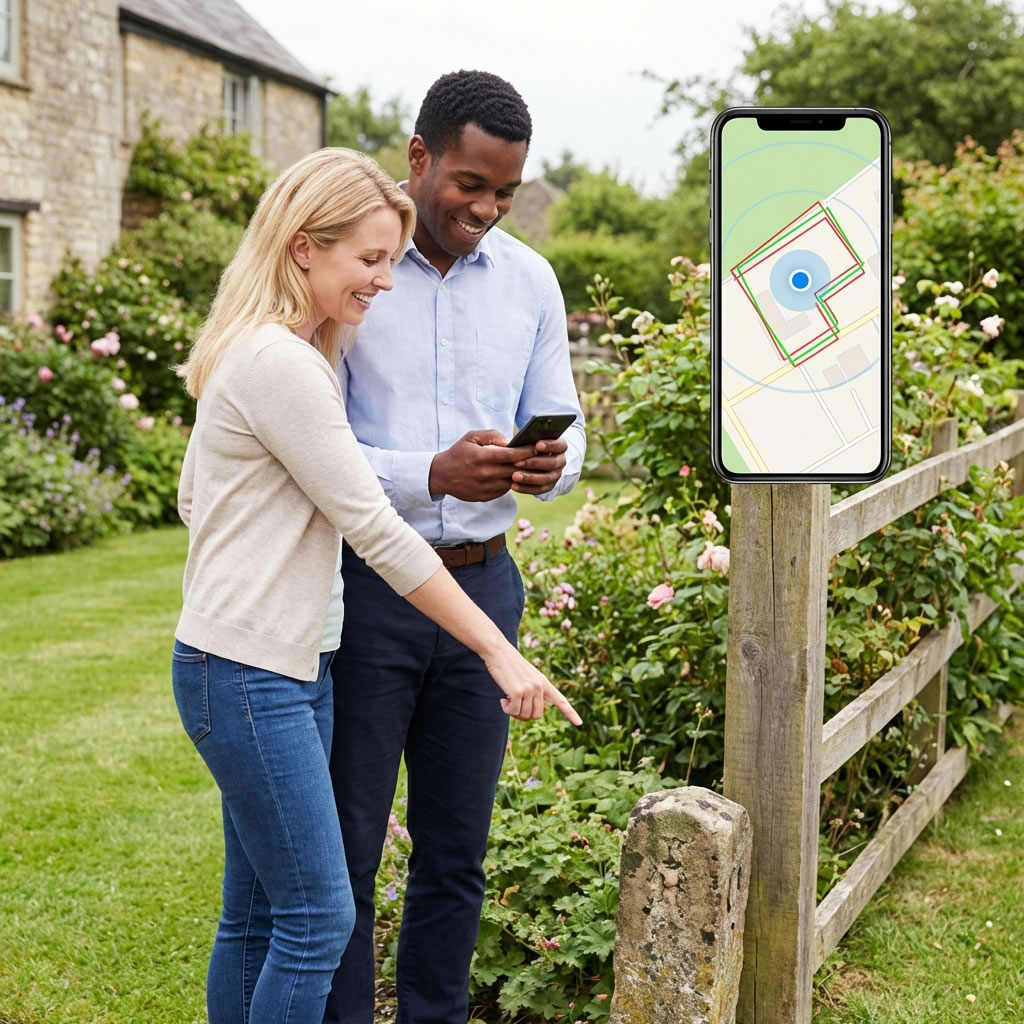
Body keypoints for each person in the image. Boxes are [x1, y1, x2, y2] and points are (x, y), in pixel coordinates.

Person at [169, 147, 581, 1024]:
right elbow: (377, 529)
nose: (386, 283)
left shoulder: (273, 352)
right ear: (301, 249)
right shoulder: (281, 365)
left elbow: (192, 497)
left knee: (255, 919)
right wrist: (497, 650)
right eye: (368, 261)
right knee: (318, 918)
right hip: (250, 675)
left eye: (390, 261)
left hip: (270, 665)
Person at [324, 72, 586, 1024]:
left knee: (456, 850)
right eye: (470, 183)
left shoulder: (530, 280)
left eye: (505, 193)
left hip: (487, 592)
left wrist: (546, 462)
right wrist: (427, 473)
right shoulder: (353, 271)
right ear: (419, 157)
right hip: (367, 593)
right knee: (348, 846)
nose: (485, 209)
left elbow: (570, 433)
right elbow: (315, 446)